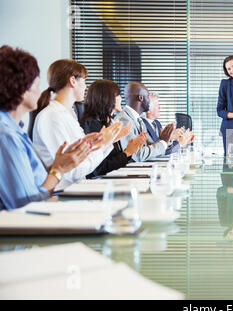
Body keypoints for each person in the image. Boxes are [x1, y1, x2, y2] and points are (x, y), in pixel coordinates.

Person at [0, 46, 92, 210]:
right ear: (20, 89)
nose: (39, 91)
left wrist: (58, 165)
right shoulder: (6, 134)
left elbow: (31, 180)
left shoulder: (15, 129)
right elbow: (27, 204)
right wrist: (58, 169)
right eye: (35, 85)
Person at [32, 59, 126, 189]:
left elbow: (82, 162)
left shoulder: (68, 115)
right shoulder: (53, 116)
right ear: (72, 81)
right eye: (84, 81)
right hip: (61, 193)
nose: (86, 86)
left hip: (75, 188)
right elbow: (72, 171)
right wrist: (103, 144)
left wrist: (102, 143)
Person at [80, 80, 147, 177]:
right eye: (118, 95)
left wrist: (131, 147)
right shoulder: (93, 125)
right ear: (108, 98)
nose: (121, 98)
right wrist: (127, 152)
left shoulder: (107, 123)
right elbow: (99, 168)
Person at [114, 82, 174, 162]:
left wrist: (165, 139)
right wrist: (163, 143)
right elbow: (136, 155)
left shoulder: (138, 119)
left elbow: (149, 147)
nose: (149, 102)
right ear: (141, 98)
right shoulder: (124, 120)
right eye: (148, 97)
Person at [140, 91, 195, 155]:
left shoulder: (157, 124)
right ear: (148, 109)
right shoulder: (141, 125)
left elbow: (165, 148)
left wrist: (181, 140)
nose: (160, 108)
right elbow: (160, 151)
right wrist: (175, 140)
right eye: (157, 105)